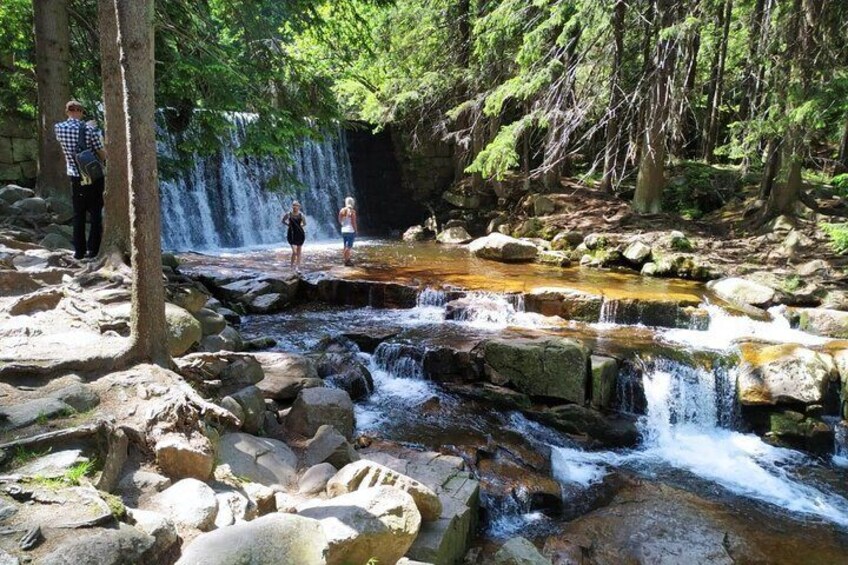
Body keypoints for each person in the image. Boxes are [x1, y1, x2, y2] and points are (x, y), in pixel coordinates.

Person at [54, 100, 106, 260]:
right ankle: (94, 250)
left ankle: (79, 251)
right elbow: (102, 154)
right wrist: (92, 129)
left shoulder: (59, 128)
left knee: (79, 214)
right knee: (96, 213)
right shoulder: (90, 130)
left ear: (67, 111)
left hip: (75, 175)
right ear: (81, 112)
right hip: (93, 175)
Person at [281, 201, 306, 272]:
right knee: (294, 252)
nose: (295, 207)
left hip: (300, 234)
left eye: (296, 205)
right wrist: (288, 225)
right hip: (291, 234)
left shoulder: (301, 215)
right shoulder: (288, 214)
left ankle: (297, 267)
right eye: (294, 205)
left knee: (299, 252)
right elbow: (283, 221)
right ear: (292, 206)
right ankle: (291, 267)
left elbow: (304, 223)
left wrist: (299, 226)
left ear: (299, 207)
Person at [338, 196, 357, 266]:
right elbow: (353, 222)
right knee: (349, 246)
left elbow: (339, 220)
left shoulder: (342, 210)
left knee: (345, 245)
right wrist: (356, 230)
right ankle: (347, 260)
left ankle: (347, 260)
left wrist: (343, 224)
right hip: (350, 230)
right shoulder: (352, 211)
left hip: (343, 230)